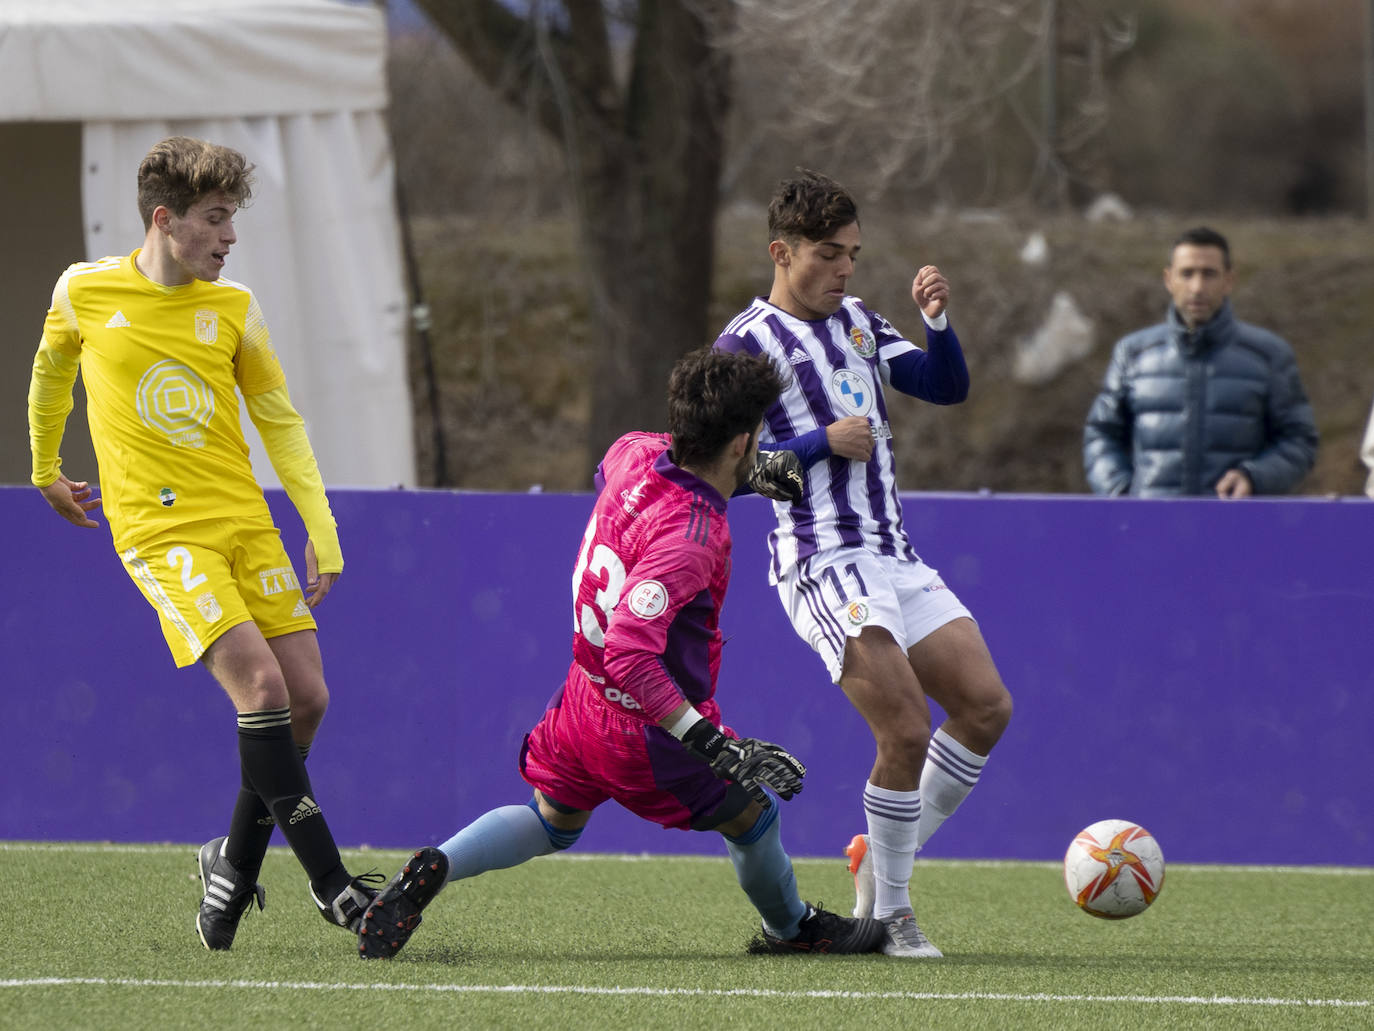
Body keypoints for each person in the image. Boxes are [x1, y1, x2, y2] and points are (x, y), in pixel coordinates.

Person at [357, 348, 883, 960]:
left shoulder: (634, 451)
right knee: (754, 815)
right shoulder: (695, 536)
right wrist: (714, 745)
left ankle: (441, 863)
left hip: (581, 701)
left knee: (552, 820)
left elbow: (644, 468)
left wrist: (782, 458)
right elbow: (632, 657)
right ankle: (792, 927)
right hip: (646, 726)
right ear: (741, 443)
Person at [26, 136, 377, 951]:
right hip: (160, 529)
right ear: (165, 218)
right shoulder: (84, 291)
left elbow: (280, 423)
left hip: (244, 523)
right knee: (260, 687)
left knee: (308, 696)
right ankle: (333, 884)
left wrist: (318, 530)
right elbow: (50, 376)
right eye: (216, 219)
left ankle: (231, 861)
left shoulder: (236, 307)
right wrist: (45, 466)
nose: (229, 236)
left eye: (231, 219)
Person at [711, 170, 1013, 959]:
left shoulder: (857, 322)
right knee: (907, 728)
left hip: (893, 553)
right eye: (829, 254)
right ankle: (894, 913)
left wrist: (938, 323)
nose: (846, 268)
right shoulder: (744, 346)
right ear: (781, 251)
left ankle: (876, 858)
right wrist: (819, 444)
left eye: (853, 253)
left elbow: (945, 387)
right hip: (822, 559)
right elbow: (723, 471)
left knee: (985, 708)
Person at [1083, 226, 1319, 497]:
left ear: (1229, 281)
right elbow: (1100, 434)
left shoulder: (1268, 355)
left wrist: (1254, 477)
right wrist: (1120, 492)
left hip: (1237, 528)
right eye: (1187, 274)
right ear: (1168, 279)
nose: (1197, 287)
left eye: (1209, 274)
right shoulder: (1134, 354)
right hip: (1149, 531)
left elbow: (1300, 441)